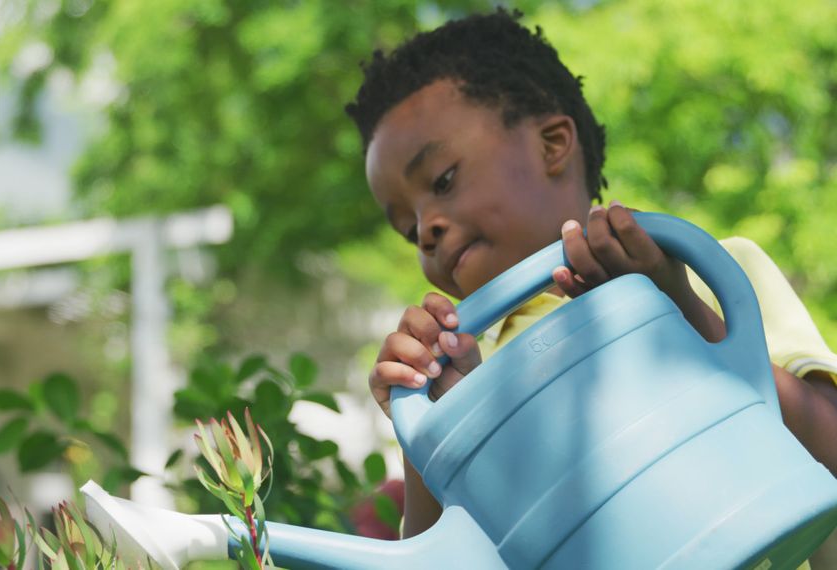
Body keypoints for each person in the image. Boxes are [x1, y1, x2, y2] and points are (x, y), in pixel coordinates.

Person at [344, 8, 837, 539]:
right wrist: (433, 431)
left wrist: (680, 310)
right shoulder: (469, 374)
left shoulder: (705, 273)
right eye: (406, 227)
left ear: (553, 145)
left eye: (441, 180)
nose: (424, 231)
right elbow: (447, 554)